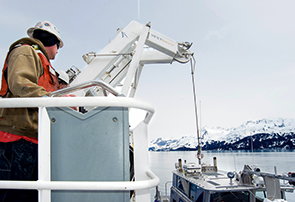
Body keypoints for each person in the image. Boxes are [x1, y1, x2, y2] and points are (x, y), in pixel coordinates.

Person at [0, 21, 64, 202]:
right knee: (14, 194)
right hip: (17, 137)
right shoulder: (26, 51)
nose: (57, 51)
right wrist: (54, 100)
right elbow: (21, 84)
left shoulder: (43, 63)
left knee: (30, 193)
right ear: (50, 41)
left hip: (32, 137)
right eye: (57, 46)